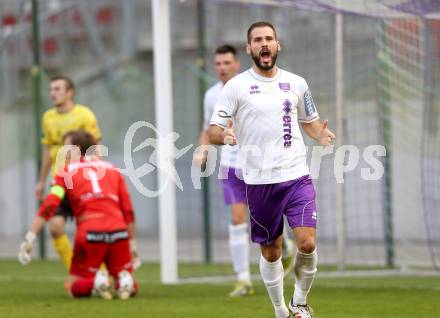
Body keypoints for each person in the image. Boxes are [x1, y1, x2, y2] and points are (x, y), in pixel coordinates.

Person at [208, 22, 335, 318]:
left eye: (269, 39)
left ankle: (300, 302)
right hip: (260, 182)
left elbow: (309, 121)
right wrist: (224, 136)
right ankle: (279, 309)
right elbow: (214, 129)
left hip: (296, 177)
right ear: (249, 48)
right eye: (257, 40)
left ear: (278, 45)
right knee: (271, 251)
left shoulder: (297, 83)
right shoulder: (235, 87)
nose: (264, 44)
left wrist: (321, 134)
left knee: (307, 242)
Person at [194, 45, 295, 297]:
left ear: (237, 64)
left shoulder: (252, 88)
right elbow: (209, 128)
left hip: (260, 165)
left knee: (264, 221)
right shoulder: (211, 95)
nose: (222, 68)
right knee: (237, 219)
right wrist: (202, 149)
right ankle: (242, 279)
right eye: (217, 64)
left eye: (226, 63)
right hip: (231, 166)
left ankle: (288, 247)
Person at [20, 130, 138, 300]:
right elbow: (128, 210)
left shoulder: (65, 172)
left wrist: (31, 236)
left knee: (73, 286)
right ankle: (124, 282)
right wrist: (132, 245)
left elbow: (50, 204)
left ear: (76, 148)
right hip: (118, 232)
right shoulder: (112, 168)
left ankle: (96, 282)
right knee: (130, 285)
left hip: (91, 233)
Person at [34, 75, 102, 270]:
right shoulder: (48, 117)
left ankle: (100, 273)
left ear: (70, 92)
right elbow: (47, 150)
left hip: (82, 179)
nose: (52, 93)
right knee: (55, 226)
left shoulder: (84, 115)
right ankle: (76, 271)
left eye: (57, 89)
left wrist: (96, 173)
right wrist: (41, 181)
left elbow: (95, 146)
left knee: (89, 229)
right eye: (51, 89)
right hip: (60, 180)